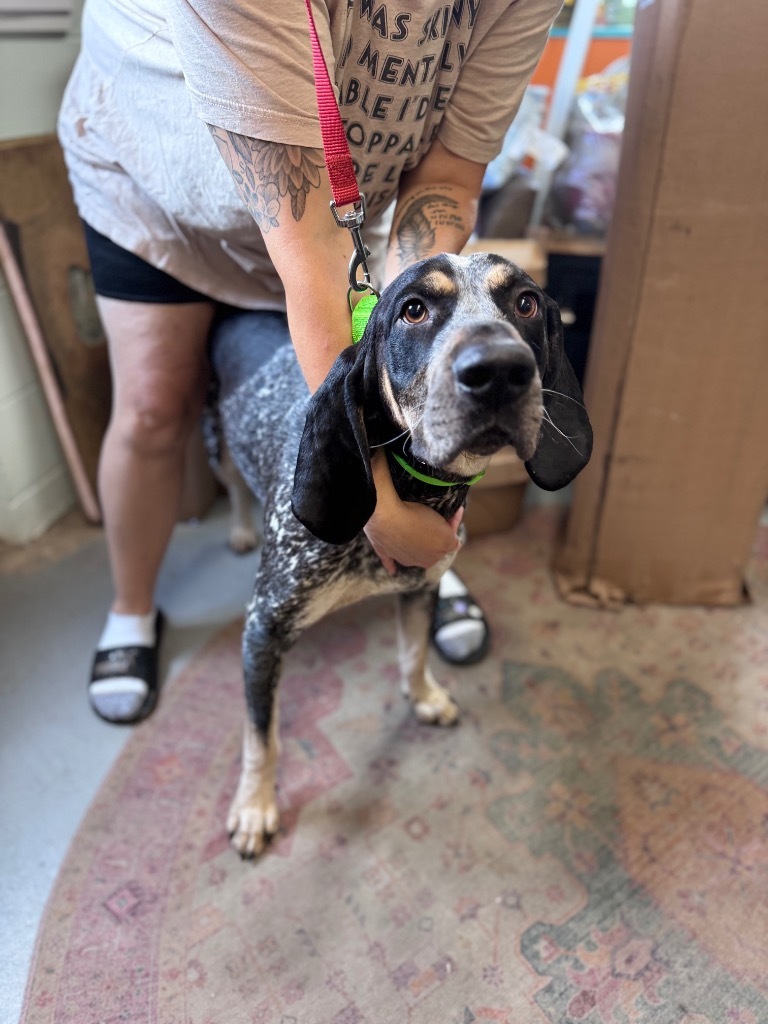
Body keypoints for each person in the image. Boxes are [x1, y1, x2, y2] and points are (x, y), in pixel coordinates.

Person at [58, 0, 561, 725]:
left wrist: (429, 329)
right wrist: (379, 510)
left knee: (433, 392)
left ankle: (428, 565)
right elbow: (314, 254)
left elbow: (447, 183)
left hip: (342, 210)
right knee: (152, 407)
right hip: (160, 192)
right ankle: (132, 611)